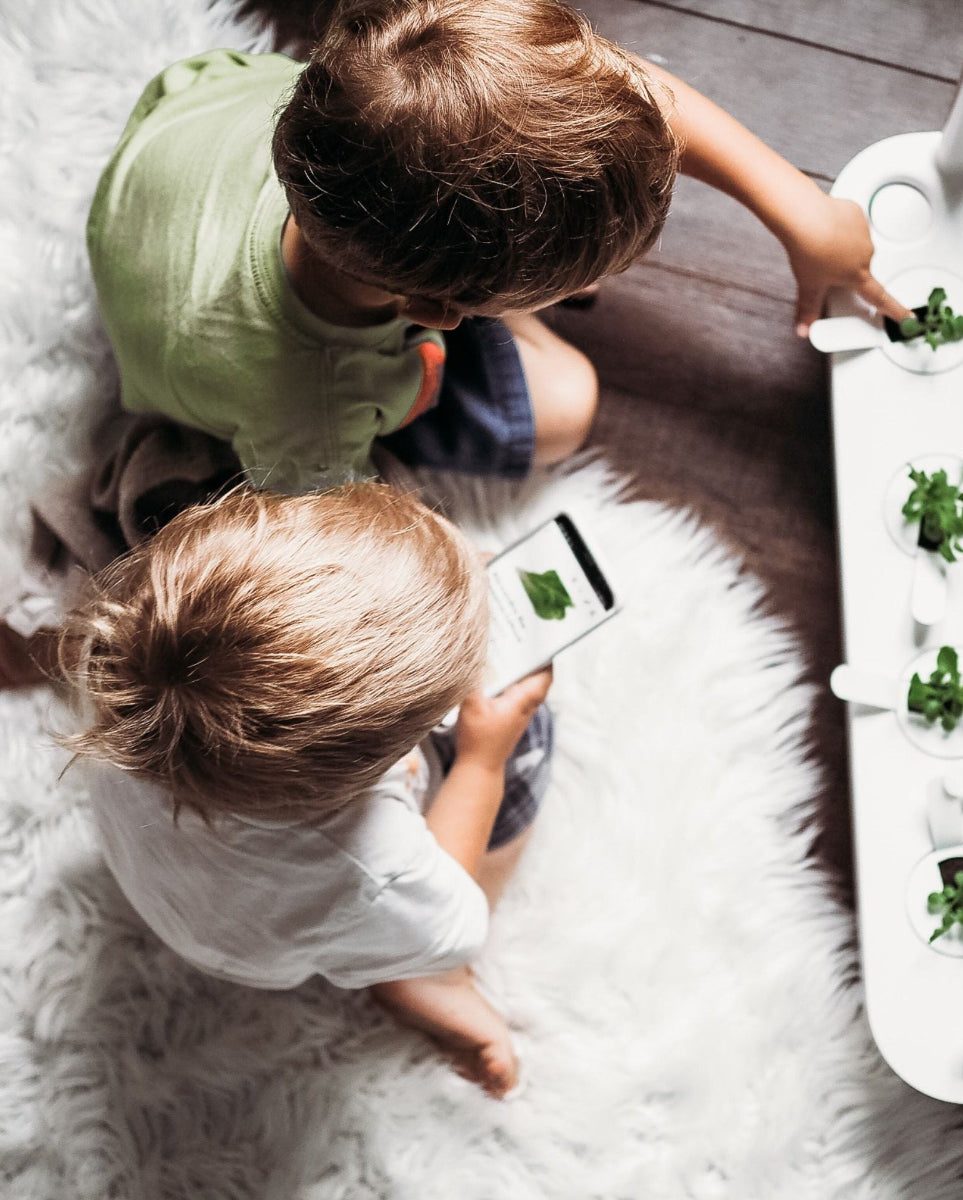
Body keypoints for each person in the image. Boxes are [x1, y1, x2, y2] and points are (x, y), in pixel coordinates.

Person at [86, 0, 908, 495]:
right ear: (442, 314)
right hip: (243, 366)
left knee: (522, 123)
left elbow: (607, 87)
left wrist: (801, 209)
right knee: (565, 405)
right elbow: (327, 511)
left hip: (183, 148)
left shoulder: (377, 79)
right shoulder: (316, 414)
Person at [58, 482, 553, 1097]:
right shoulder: (371, 870)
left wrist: (434, 584)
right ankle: (425, 981)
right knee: (529, 747)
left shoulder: (125, 660)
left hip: (176, 896)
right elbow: (459, 920)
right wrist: (482, 760)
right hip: (272, 945)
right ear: (391, 760)